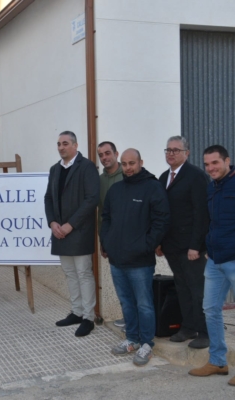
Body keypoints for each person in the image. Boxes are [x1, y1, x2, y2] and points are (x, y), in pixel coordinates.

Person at [101, 149, 170, 367]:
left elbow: (162, 220)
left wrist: (146, 245)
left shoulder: (152, 187)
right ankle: (131, 339)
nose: (128, 167)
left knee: (144, 304)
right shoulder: (115, 189)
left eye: (132, 163)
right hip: (117, 260)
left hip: (140, 261)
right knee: (127, 303)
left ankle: (147, 343)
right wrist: (107, 243)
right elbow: (106, 219)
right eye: (124, 163)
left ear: (141, 162)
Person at [44, 131, 100, 337]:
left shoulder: (87, 167)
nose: (61, 147)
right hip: (59, 231)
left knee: (84, 274)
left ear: (75, 145)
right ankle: (76, 312)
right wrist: (52, 222)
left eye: (65, 143)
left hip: (79, 231)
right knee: (69, 273)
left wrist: (70, 225)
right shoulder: (54, 169)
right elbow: (48, 198)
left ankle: (88, 317)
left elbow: (92, 199)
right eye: (58, 144)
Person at [156, 136, 210, 349]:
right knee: (182, 288)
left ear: (186, 153)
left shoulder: (195, 176)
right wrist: (159, 242)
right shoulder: (162, 178)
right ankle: (188, 327)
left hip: (191, 248)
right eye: (168, 149)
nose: (171, 153)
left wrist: (196, 245)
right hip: (171, 246)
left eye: (176, 150)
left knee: (198, 290)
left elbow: (201, 214)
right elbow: (161, 213)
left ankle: (204, 332)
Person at [189, 145, 235, 386]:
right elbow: (211, 222)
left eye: (215, 163)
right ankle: (218, 361)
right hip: (215, 260)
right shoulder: (212, 188)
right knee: (211, 309)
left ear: (227, 161)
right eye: (207, 164)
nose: (210, 168)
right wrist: (207, 247)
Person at [97, 141, 125, 330]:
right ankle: (127, 315)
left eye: (108, 153)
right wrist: (103, 240)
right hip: (112, 241)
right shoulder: (100, 180)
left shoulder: (128, 175)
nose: (105, 157)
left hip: (132, 239)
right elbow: (100, 214)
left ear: (116, 153)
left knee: (137, 285)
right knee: (120, 283)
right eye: (101, 155)